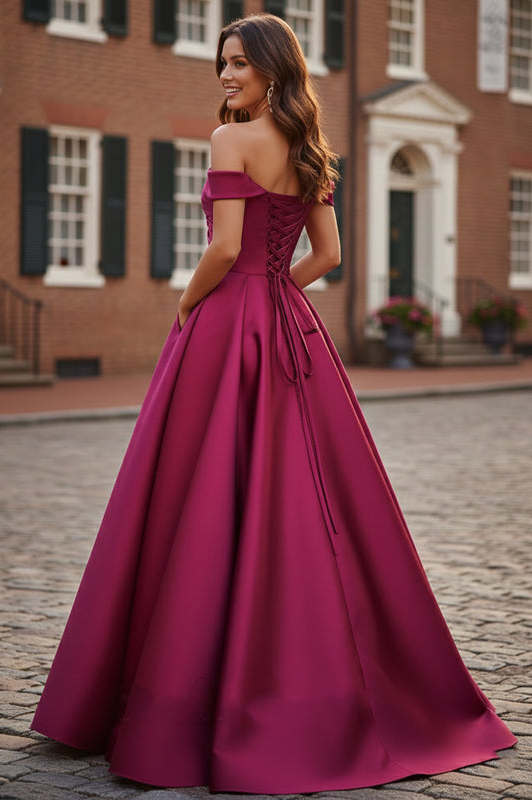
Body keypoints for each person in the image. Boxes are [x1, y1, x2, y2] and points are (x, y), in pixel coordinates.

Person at [32, 13, 516, 794]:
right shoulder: (309, 149)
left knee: (196, 487)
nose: (224, 76)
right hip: (290, 331)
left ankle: (166, 698)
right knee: (294, 495)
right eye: (219, 64)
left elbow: (223, 250)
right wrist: (275, 295)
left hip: (228, 327)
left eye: (236, 65)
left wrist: (190, 306)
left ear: (269, 69)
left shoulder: (232, 141)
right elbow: (325, 256)